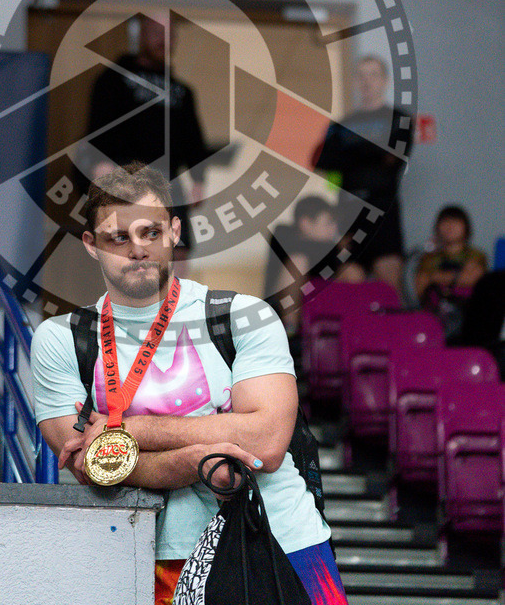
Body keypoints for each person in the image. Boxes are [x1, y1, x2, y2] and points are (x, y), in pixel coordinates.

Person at [31, 162, 349, 605]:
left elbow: (269, 442)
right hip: (153, 555)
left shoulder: (244, 316)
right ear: (91, 244)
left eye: (150, 233)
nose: (137, 249)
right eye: (118, 237)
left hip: (279, 537)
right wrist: (200, 458)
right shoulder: (61, 338)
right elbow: (94, 469)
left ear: (175, 231)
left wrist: (130, 432)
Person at [82, 12, 210, 265]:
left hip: (168, 178)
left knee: (178, 249)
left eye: (170, 35)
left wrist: (199, 179)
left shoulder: (182, 92)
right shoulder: (114, 79)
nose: (164, 40)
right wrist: (100, 163)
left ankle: (176, 304)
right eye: (156, 33)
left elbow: (194, 141)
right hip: (127, 173)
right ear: (140, 35)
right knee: (127, 244)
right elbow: (98, 126)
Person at [313, 55, 413, 292]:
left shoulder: (399, 119)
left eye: (374, 74)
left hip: (383, 212)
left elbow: (392, 159)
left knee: (388, 285)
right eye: (362, 75)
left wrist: (349, 153)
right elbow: (321, 160)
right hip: (347, 213)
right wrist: (371, 152)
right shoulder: (341, 123)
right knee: (349, 283)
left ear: (385, 81)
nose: (367, 81)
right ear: (355, 81)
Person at [265, 195, 365, 330]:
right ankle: (289, 329)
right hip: (280, 310)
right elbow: (305, 250)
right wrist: (338, 248)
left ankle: (351, 329)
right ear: (305, 223)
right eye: (328, 223)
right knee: (298, 262)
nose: (333, 229)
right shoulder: (285, 237)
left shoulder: (329, 251)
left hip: (320, 306)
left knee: (351, 271)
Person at [415, 205, 487, 340]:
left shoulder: (476, 255)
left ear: (466, 227)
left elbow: (471, 279)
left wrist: (435, 277)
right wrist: (455, 278)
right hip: (436, 316)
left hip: (468, 314)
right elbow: (421, 288)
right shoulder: (428, 257)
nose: (450, 226)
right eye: (445, 221)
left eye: (455, 221)